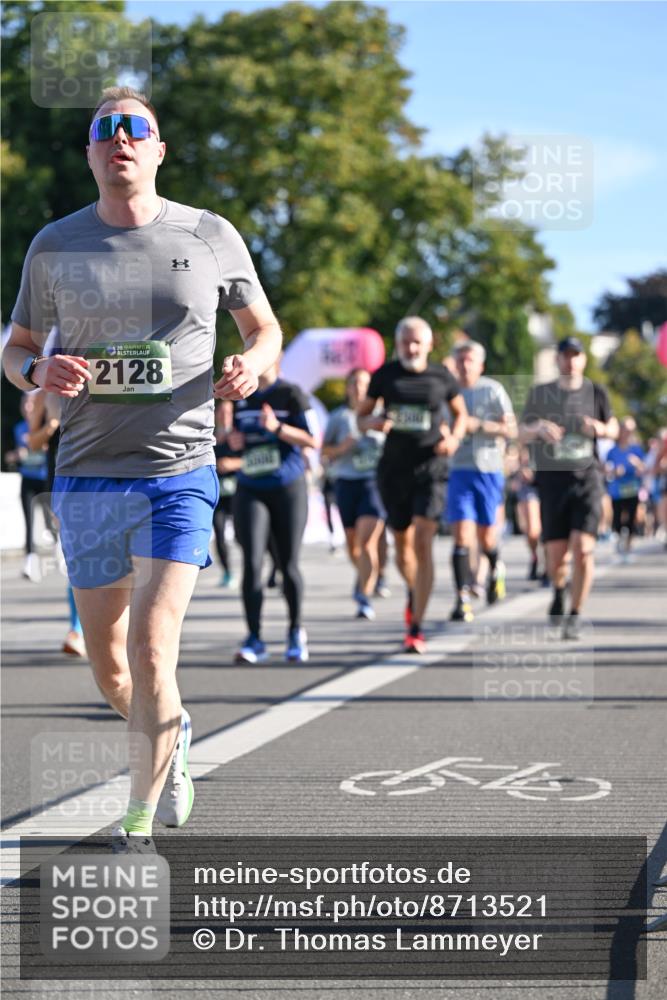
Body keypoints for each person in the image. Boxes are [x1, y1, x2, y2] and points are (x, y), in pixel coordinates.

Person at [3, 87, 282, 852]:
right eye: (107, 130)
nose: (121, 139)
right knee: (111, 665)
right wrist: (38, 373)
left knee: (153, 649)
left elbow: (264, 329)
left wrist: (251, 367)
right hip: (87, 473)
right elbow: (15, 345)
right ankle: (173, 732)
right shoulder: (55, 243)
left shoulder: (209, 233)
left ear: (158, 150)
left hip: (178, 469)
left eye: (137, 129)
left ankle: (137, 815)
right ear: (91, 152)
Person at [358, 316, 467, 653]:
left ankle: (416, 626)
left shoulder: (442, 377)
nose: (412, 347)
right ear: (398, 343)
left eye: (418, 341)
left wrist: (455, 440)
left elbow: (460, 415)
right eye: (406, 341)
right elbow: (360, 418)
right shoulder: (384, 375)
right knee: (403, 546)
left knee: (423, 541)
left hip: (431, 467)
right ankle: (414, 591)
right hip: (394, 470)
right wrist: (373, 422)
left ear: (429, 344)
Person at [519, 337, 618, 639]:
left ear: (583, 360)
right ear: (557, 360)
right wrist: (538, 429)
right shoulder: (541, 393)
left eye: (576, 355)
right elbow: (521, 432)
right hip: (551, 482)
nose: (571, 361)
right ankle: (559, 591)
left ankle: (575, 614)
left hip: (587, 479)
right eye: (565, 356)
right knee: (556, 555)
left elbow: (613, 426)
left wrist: (598, 429)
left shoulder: (596, 392)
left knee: (584, 549)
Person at [230, 361, 317, 663]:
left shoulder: (292, 394)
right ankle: (254, 638)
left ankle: (295, 630)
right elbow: (233, 438)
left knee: (288, 564)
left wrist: (278, 428)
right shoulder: (241, 395)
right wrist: (234, 440)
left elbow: (312, 440)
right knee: (252, 563)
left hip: (287, 486)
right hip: (251, 485)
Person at [446, 341, 516, 622]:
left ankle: (496, 567)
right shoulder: (447, 392)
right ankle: (462, 599)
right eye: (460, 359)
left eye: (470, 360)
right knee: (462, 535)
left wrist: (480, 426)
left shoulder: (492, 390)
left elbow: (511, 428)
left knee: (486, 537)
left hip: (488, 470)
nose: (465, 365)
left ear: (480, 365)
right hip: (458, 470)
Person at [322, 368, 386, 620]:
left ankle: (364, 595)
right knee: (353, 545)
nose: (359, 389)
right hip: (346, 482)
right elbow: (324, 451)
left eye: (364, 384)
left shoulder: (381, 416)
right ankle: (364, 576)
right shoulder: (339, 418)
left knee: (367, 541)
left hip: (374, 482)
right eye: (355, 384)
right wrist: (342, 447)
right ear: (348, 388)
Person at [6, 392, 51, 582]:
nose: (27, 408)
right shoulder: (18, 428)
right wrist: (17, 455)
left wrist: (38, 444)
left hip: (46, 479)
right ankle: (30, 562)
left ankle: (62, 554)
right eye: (24, 405)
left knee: (53, 522)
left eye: (31, 405)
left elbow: (53, 449)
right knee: (29, 522)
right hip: (28, 478)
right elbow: (9, 456)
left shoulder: (47, 424)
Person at [605, 416, 645, 561]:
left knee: (631, 518)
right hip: (617, 490)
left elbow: (644, 469)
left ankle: (627, 548)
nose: (628, 433)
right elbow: (606, 469)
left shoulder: (636, 449)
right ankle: (618, 546)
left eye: (631, 430)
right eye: (625, 429)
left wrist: (637, 464)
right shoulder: (612, 451)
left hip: (632, 489)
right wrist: (614, 472)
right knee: (617, 518)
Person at [213, 400, 241, 588]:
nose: (224, 416)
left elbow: (252, 461)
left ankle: (261, 568)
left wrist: (234, 463)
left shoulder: (240, 437)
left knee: (242, 536)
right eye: (221, 412)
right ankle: (227, 572)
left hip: (238, 494)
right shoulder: (208, 437)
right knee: (220, 534)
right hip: (218, 495)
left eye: (228, 413)